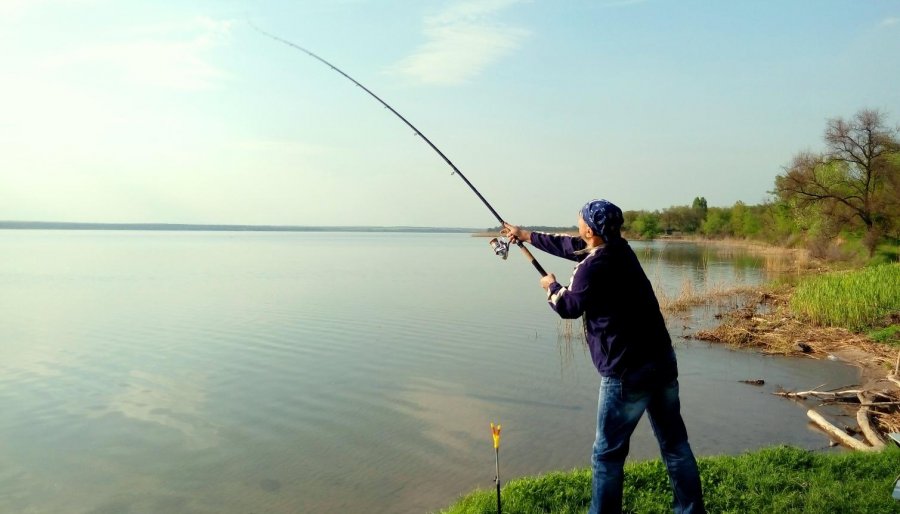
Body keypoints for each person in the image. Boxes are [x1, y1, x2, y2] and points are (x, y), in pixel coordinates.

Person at [503, 199, 705, 514]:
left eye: (581, 220)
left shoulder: (592, 267)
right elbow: (572, 246)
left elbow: (569, 306)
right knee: (675, 445)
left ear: (590, 230)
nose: (578, 223)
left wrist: (551, 286)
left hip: (626, 373)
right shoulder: (621, 251)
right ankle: (691, 510)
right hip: (662, 363)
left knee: (607, 455)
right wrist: (525, 235)